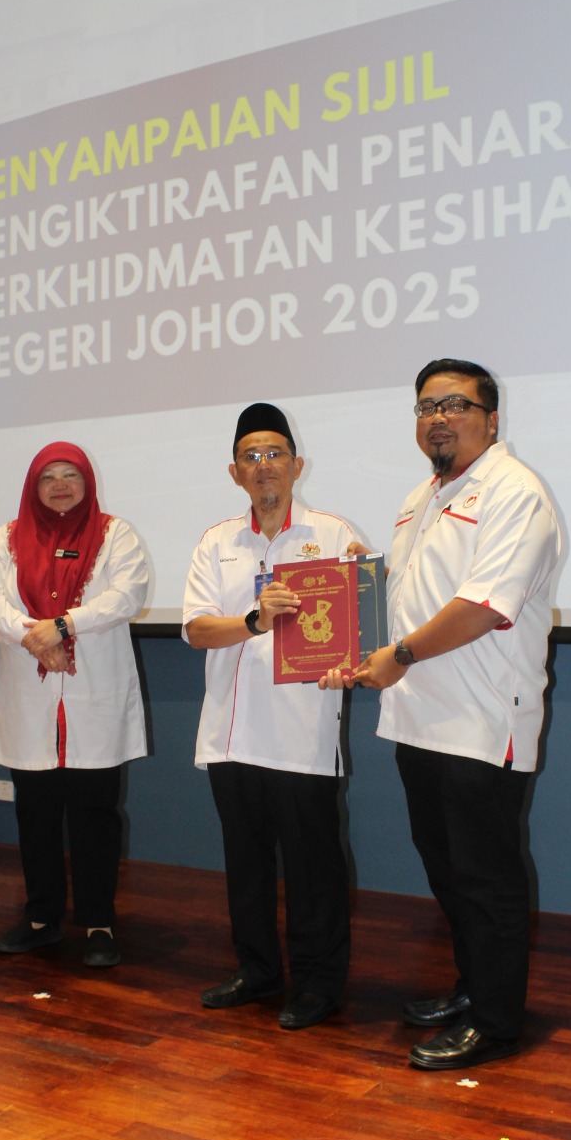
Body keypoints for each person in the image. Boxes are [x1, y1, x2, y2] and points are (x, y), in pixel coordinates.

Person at [321, 359, 561, 1070]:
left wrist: (397, 654)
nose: (438, 418)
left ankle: (495, 1022)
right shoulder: (421, 498)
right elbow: (413, 596)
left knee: (486, 877)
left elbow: (484, 606)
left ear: (492, 418)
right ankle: (474, 986)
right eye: (427, 407)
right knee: (448, 870)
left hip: (481, 720)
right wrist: (364, 585)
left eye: (455, 405)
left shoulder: (516, 493)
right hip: (419, 715)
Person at [183, 403, 361, 1031]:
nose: (264, 466)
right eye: (251, 457)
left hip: (302, 734)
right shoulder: (216, 542)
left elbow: (357, 626)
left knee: (314, 869)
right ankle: (257, 970)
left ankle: (318, 984)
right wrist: (255, 621)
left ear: (297, 464)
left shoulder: (333, 535)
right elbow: (197, 630)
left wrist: (355, 636)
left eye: (275, 454)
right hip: (231, 734)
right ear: (235, 473)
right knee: (247, 866)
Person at [0, 442, 148, 965]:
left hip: (93, 697)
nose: (59, 485)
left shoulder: (116, 534)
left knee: (96, 814)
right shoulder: (6, 539)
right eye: (48, 477)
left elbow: (127, 595)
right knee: (36, 813)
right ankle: (41, 920)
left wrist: (65, 625)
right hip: (30, 698)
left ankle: (99, 924)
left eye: (70, 474)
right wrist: (34, 636)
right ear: (34, 487)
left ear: (87, 482)